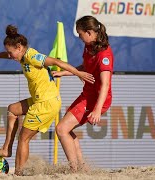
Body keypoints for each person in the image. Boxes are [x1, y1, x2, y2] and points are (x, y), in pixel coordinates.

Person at [0, 24, 95, 175]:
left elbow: (56, 62)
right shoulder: (21, 55)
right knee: (12, 109)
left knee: (23, 138)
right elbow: (7, 55)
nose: (9, 56)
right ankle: (6, 149)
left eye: (10, 52)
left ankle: (18, 174)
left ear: (19, 47)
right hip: (40, 100)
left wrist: (79, 73)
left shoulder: (32, 56)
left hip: (46, 103)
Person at [52, 15, 114, 172]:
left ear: (89, 32)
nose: (79, 37)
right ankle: (82, 168)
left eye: (80, 34)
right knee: (66, 130)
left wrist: (97, 110)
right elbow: (85, 67)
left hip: (96, 101)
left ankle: (73, 170)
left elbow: (105, 84)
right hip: (86, 96)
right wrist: (65, 73)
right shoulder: (89, 46)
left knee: (61, 129)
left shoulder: (104, 55)